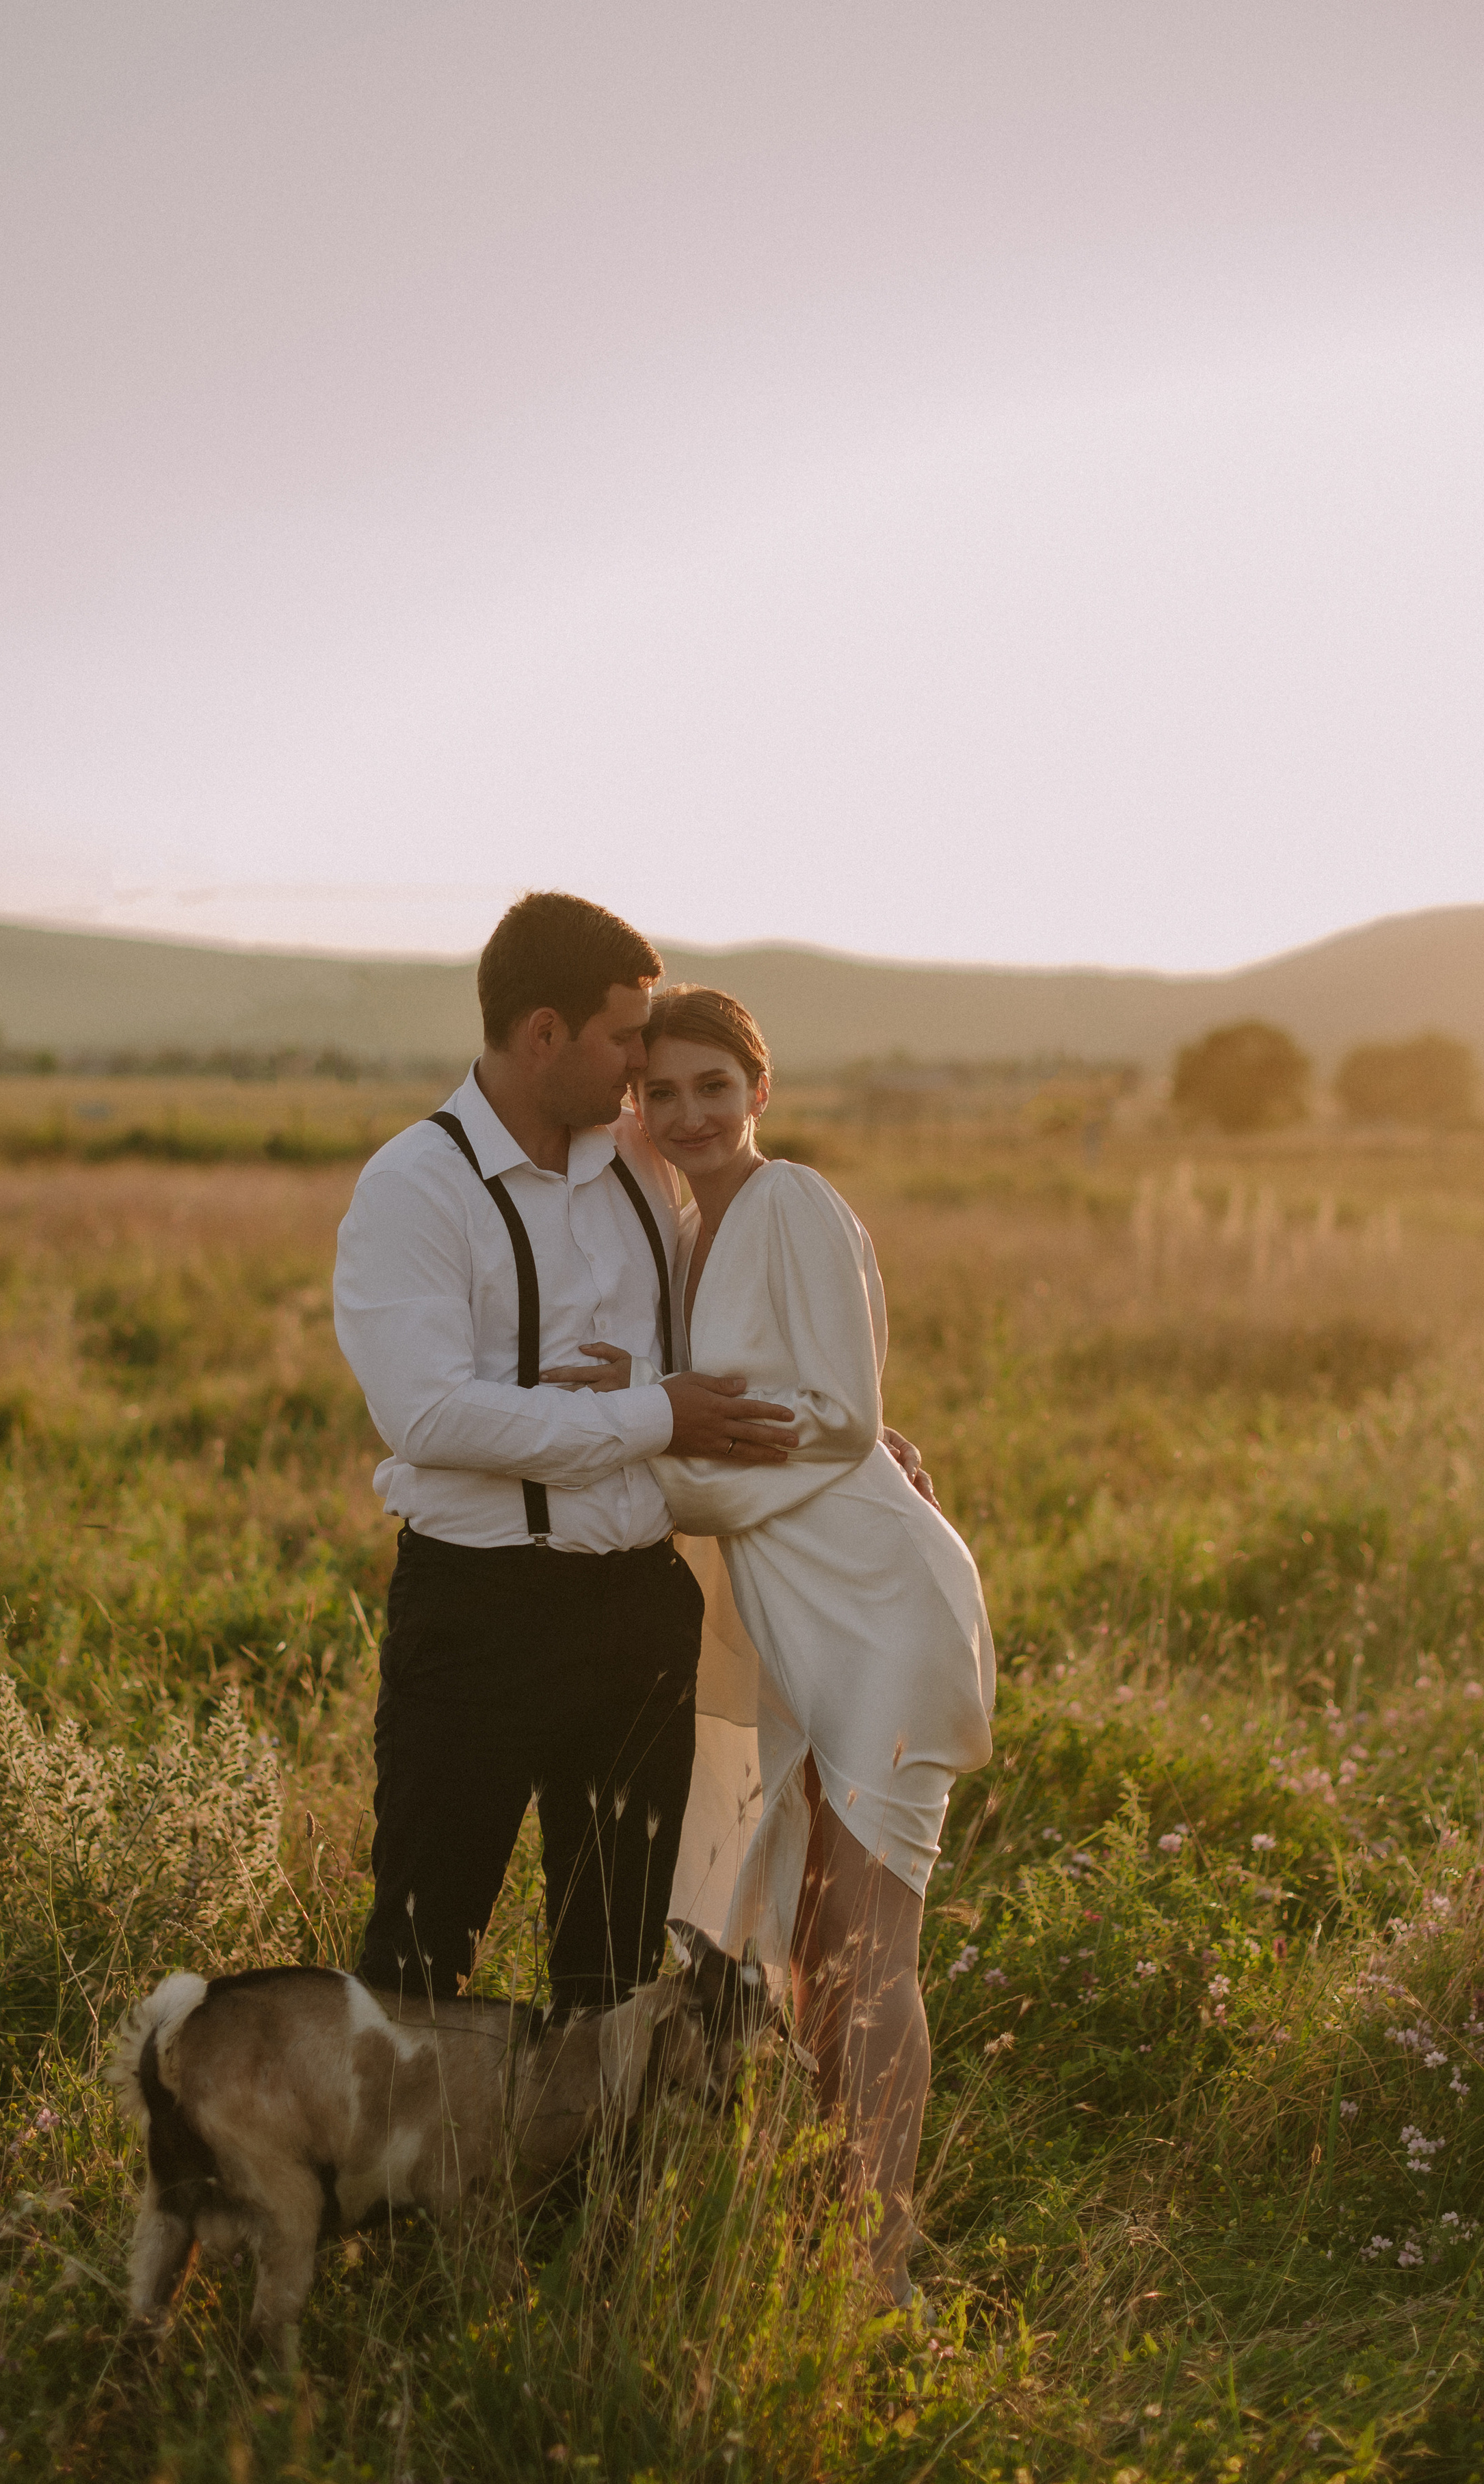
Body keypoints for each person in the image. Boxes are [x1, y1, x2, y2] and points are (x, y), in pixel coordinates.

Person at [544, 984, 994, 2301]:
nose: (687, 1114)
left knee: (870, 1947)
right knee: (807, 1938)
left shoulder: (789, 1198)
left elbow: (842, 1418)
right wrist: (632, 1404)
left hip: (874, 1604)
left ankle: (878, 2264)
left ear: (759, 1092)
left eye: (712, 1089)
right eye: (661, 1092)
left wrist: (636, 1471)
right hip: (792, 1610)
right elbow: (720, 1402)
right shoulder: (686, 1227)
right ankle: (824, 2225)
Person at [332, 893, 804, 2015]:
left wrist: (857, 1441)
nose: (645, 1061)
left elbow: (720, 1337)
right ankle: (404, 2192)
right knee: (421, 1947)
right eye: (626, 1036)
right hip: (479, 1617)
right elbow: (431, 1417)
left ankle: (589, 2194)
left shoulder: (642, 1157)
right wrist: (654, 1419)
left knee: (617, 1961)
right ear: (545, 1034)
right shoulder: (415, 1186)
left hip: (640, 1611)